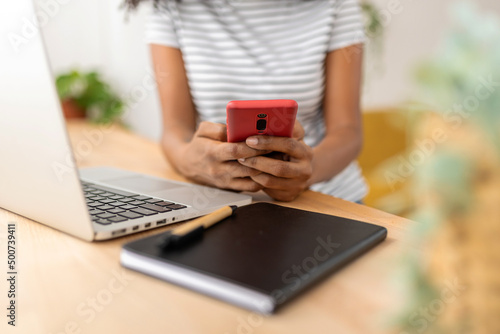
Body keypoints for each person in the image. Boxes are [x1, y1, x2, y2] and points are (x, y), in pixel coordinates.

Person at [126, 0, 368, 202]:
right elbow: (175, 129)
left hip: (325, 198)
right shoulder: (171, 5)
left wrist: (308, 169)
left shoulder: (336, 4)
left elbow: (348, 131)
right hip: (222, 201)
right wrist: (188, 160)